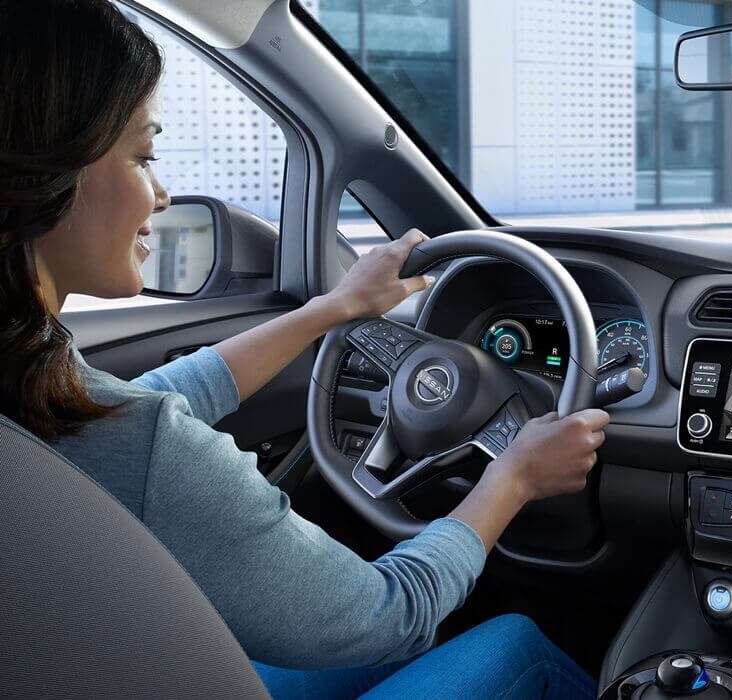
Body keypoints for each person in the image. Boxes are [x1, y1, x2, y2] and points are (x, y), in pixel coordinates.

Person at [0, 2, 607, 698]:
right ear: (42, 176)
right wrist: (516, 478)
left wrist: (332, 310)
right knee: (517, 645)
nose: (162, 195)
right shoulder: (142, 447)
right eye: (144, 157)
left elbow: (139, 410)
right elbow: (391, 615)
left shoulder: (37, 378)